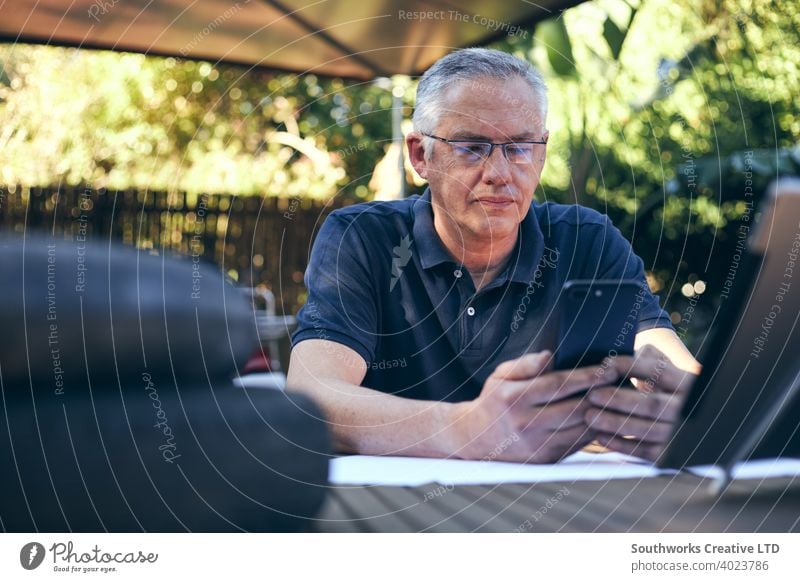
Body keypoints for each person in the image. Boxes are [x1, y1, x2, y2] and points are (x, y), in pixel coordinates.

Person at [287, 48, 700, 463]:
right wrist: (468, 429)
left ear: (542, 153)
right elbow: (312, 397)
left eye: (520, 147)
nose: (499, 173)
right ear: (420, 156)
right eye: (471, 147)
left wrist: (687, 413)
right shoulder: (363, 239)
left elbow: (669, 364)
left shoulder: (587, 241)